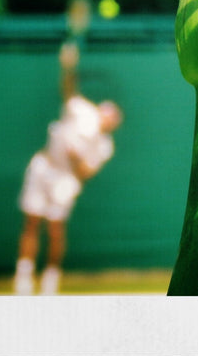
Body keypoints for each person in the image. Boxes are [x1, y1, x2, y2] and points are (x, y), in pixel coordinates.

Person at [13, 95, 124, 295]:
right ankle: (23, 278)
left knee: (56, 229)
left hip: (66, 181)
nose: (109, 120)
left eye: (113, 119)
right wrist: (69, 64)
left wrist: (75, 158)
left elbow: (86, 173)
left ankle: (50, 280)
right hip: (43, 168)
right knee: (31, 222)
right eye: (107, 115)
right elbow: (68, 90)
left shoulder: (105, 146)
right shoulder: (81, 110)